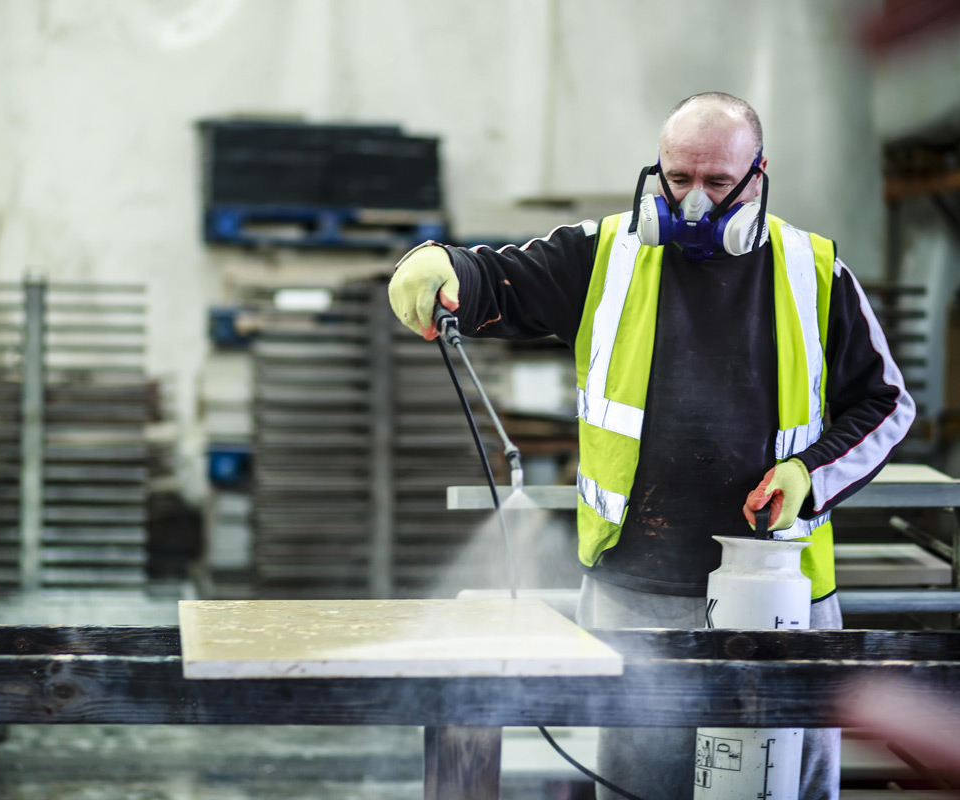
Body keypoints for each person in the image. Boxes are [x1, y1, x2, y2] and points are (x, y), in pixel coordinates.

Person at [388, 92, 915, 799]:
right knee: (640, 788)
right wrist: (443, 267)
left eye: (718, 183)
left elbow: (886, 403)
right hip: (637, 595)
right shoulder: (605, 256)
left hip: (779, 594)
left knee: (777, 786)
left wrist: (807, 473)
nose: (694, 202)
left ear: (758, 176)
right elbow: (501, 281)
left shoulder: (814, 273)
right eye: (677, 179)